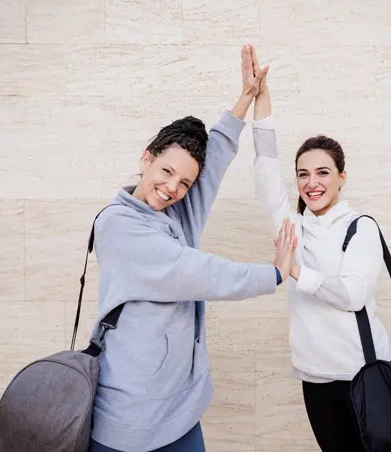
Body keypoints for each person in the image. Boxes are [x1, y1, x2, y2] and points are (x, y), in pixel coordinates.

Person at [87, 44, 297, 452]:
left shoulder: (171, 211)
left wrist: (245, 99)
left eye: (184, 183)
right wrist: (272, 274)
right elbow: (193, 271)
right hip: (130, 418)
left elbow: (211, 163)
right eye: (166, 172)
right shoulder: (119, 224)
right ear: (146, 159)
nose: (171, 189)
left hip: (177, 412)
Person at [248, 46, 391, 452]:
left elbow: (354, 294)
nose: (311, 183)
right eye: (302, 174)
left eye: (322, 173)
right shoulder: (291, 225)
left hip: (364, 377)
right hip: (315, 378)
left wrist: (295, 270)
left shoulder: (360, 227)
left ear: (341, 177)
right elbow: (265, 167)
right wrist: (261, 100)